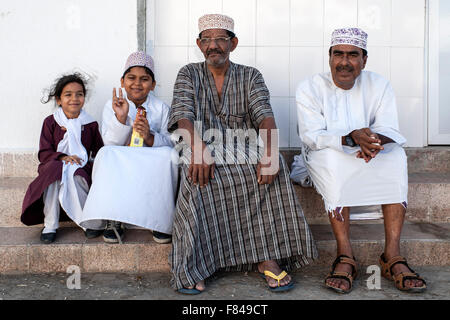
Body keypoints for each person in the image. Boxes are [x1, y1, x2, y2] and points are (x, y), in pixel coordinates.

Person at [168, 14, 317, 295]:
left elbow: (265, 116)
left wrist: (271, 152)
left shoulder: (251, 75)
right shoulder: (188, 73)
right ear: (199, 45)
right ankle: (197, 262)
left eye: (221, 39)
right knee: (194, 169)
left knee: (275, 166)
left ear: (233, 44)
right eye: (207, 40)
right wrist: (197, 148)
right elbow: (182, 116)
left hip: (242, 145)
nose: (214, 46)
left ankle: (267, 255)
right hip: (198, 141)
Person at [296, 28, 427, 293]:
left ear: (364, 60)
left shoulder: (378, 84)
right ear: (330, 57)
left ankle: (391, 256)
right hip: (326, 152)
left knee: (396, 158)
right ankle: (345, 255)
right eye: (338, 54)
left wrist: (373, 142)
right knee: (335, 162)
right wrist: (350, 138)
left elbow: (390, 129)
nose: (344, 62)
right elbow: (312, 136)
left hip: (368, 151)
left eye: (352, 55)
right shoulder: (309, 87)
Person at [80, 52, 178, 244]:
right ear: (122, 81)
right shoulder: (112, 105)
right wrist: (121, 118)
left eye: (144, 79)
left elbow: (171, 142)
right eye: (131, 78)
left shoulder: (162, 108)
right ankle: (114, 218)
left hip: (150, 158)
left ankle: (159, 222)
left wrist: (149, 136)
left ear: (153, 84)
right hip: (124, 158)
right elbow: (109, 143)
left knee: (169, 156)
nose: (137, 84)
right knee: (105, 154)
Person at [21, 73, 104, 243]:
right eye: (68, 94)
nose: (74, 98)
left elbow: (99, 151)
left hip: (80, 165)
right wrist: (62, 157)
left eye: (79, 94)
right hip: (54, 164)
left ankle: (87, 221)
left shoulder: (90, 124)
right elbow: (44, 153)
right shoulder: (51, 122)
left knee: (77, 174)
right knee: (54, 173)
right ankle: (50, 224)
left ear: (84, 98)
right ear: (59, 100)